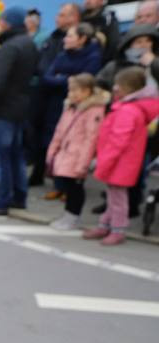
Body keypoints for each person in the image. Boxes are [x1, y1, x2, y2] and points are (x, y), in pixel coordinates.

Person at [85, 67, 159, 244]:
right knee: (113, 195)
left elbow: (118, 142)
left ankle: (118, 229)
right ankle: (105, 224)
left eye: (118, 86)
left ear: (128, 89)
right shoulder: (129, 108)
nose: (114, 89)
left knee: (118, 198)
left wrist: (103, 161)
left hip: (119, 162)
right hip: (121, 162)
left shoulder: (127, 111)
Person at [0, 6, 40, 216]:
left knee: (1, 158)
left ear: (6, 23)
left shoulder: (9, 47)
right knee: (16, 156)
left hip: (2, 109)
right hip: (20, 107)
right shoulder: (28, 44)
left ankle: (2, 201)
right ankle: (19, 197)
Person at [29, 3, 84, 186]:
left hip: (62, 99)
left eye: (62, 15)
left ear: (74, 18)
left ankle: (61, 181)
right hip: (43, 95)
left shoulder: (78, 44)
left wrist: (56, 78)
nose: (56, 18)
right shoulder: (51, 38)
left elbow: (75, 76)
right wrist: (54, 77)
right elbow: (44, 69)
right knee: (39, 136)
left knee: (59, 137)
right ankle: (38, 172)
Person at [46, 73, 108, 229]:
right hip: (66, 153)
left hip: (78, 155)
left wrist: (83, 163)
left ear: (87, 91)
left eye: (76, 91)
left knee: (75, 188)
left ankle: (73, 216)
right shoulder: (70, 107)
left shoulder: (94, 111)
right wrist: (52, 151)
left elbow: (90, 139)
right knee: (67, 185)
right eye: (70, 91)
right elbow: (59, 131)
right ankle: (67, 215)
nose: (71, 94)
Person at [97, 23, 159, 90]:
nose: (144, 45)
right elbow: (98, 87)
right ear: (128, 45)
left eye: (148, 41)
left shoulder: (156, 61)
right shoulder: (114, 66)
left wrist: (154, 63)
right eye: (139, 42)